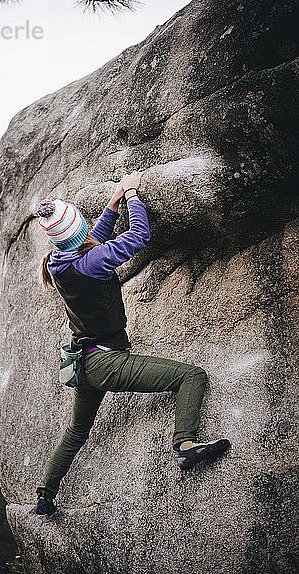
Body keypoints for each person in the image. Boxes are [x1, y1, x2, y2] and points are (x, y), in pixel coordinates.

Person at [34, 171, 231, 515]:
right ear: (78, 230)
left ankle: (44, 496)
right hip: (106, 362)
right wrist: (134, 195)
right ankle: (184, 442)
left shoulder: (56, 262)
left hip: (82, 362)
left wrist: (112, 203)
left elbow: (87, 242)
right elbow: (139, 235)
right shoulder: (91, 262)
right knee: (191, 376)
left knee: (77, 431)